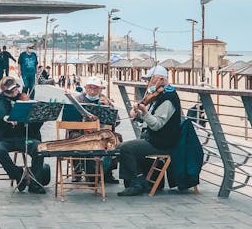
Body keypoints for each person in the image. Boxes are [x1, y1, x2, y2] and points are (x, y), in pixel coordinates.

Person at [117, 65, 182, 196]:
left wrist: (144, 111)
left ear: (162, 80)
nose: (148, 84)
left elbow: (157, 124)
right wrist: (139, 114)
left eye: (151, 80)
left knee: (124, 148)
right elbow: (150, 118)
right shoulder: (159, 96)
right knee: (129, 147)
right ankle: (141, 180)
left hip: (162, 143)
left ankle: (137, 182)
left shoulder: (168, 99)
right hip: (153, 139)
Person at [0, 76, 49, 194]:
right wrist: (3, 118)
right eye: (10, 91)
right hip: (3, 138)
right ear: (4, 92)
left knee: (39, 147)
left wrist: (39, 117)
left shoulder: (25, 100)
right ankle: (18, 175)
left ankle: (35, 183)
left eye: (15, 89)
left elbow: (35, 126)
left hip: (24, 137)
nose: (15, 92)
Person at [70, 76, 120, 185]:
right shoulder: (78, 99)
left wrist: (107, 107)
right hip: (81, 129)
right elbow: (70, 120)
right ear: (85, 88)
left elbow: (117, 120)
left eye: (95, 88)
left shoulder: (105, 99)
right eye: (89, 88)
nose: (92, 91)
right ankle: (78, 170)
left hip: (101, 130)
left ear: (100, 89)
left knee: (116, 137)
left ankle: (107, 171)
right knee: (75, 137)